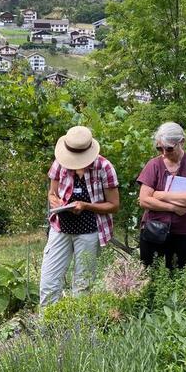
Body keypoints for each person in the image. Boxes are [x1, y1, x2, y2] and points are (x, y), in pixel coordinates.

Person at [39, 125, 119, 307]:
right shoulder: (59, 162)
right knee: (49, 281)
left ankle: (79, 329)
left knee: (83, 285)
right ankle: (47, 329)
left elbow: (114, 205)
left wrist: (86, 206)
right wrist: (57, 203)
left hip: (89, 231)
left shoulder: (104, 167)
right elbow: (52, 193)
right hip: (61, 228)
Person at [137, 122, 186, 269]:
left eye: (168, 148)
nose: (164, 152)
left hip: (183, 231)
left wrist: (159, 194)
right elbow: (144, 200)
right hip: (153, 229)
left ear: (182, 142)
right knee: (150, 275)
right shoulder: (153, 164)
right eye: (159, 148)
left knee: (176, 277)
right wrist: (174, 208)